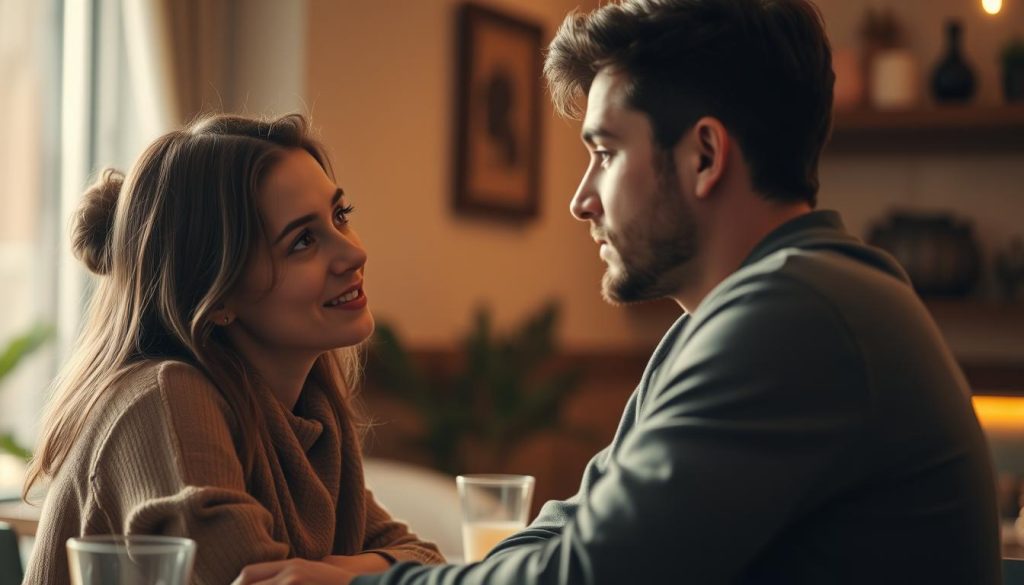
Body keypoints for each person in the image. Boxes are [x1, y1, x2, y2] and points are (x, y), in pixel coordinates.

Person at [235, 0, 1002, 583]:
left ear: (704, 154)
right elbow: (565, 532)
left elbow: (587, 573)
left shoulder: (796, 317)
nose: (581, 198)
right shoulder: (737, 316)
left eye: (604, 152)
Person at [23, 114, 444, 584]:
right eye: (303, 240)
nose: (353, 253)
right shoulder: (164, 400)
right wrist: (365, 573)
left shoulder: (314, 416)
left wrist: (337, 577)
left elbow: (426, 558)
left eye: (340, 216)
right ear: (217, 295)